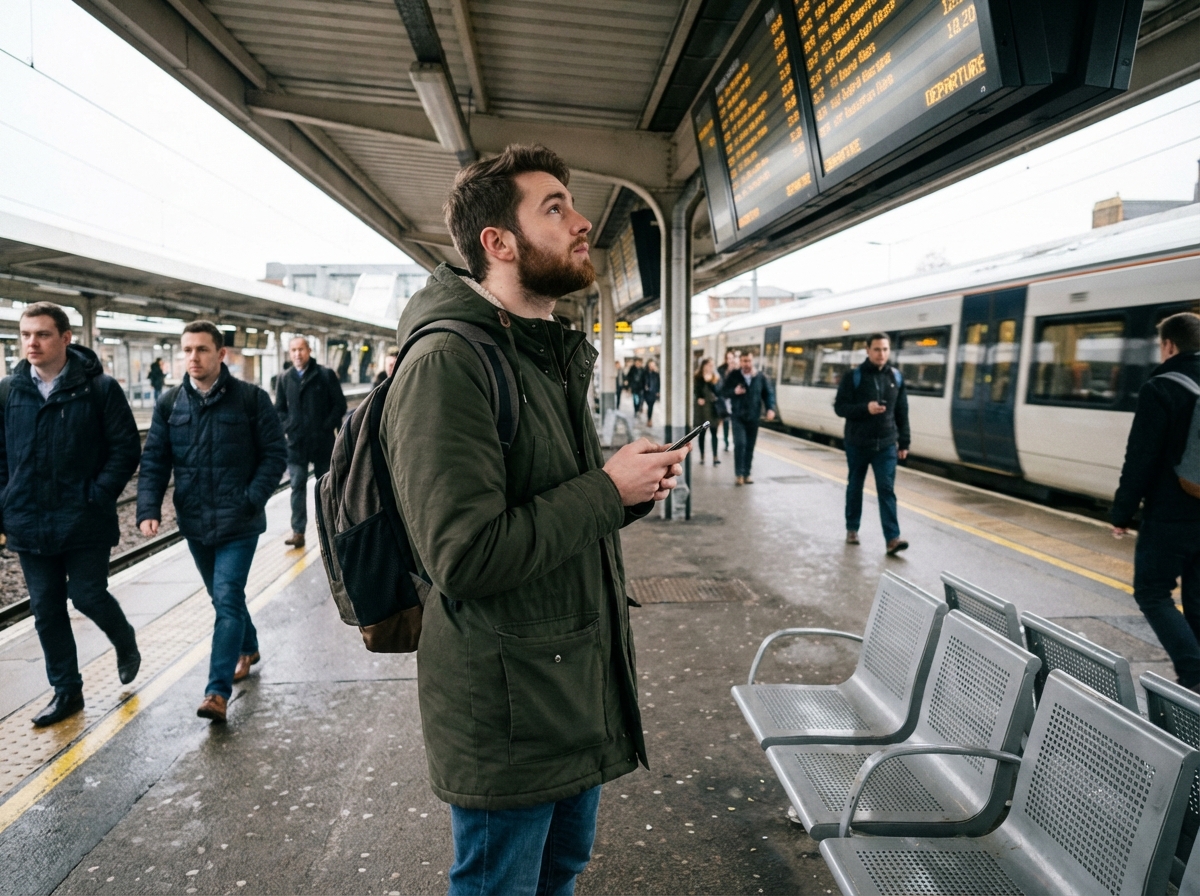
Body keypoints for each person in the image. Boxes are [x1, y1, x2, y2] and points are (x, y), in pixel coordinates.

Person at [381, 144, 687, 896]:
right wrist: (605, 493)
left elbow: (547, 506)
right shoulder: (451, 361)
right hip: (510, 708)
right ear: (498, 242)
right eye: (556, 208)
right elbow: (465, 554)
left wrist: (628, 490)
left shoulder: (540, 354)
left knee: (558, 879)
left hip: (565, 688)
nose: (582, 223)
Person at [0, 302, 143, 726]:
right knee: (45, 609)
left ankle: (124, 639)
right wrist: (6, 499)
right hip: (28, 518)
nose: (32, 343)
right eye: (26, 334)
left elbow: (125, 449)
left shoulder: (98, 388)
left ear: (65, 338)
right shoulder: (8, 391)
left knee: (87, 594)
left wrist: (96, 494)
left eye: (42, 334)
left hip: (84, 518)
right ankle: (67, 692)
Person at [138, 321, 287, 723]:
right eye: (186, 350)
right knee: (226, 598)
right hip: (196, 523)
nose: (192, 358)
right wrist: (148, 509)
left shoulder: (251, 400)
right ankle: (249, 646)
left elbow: (275, 455)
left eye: (202, 350)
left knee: (225, 596)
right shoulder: (170, 404)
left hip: (239, 522)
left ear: (221, 354)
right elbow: (154, 461)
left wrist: (251, 499)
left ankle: (216, 692)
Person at [1113, 312, 1200, 691]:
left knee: (1152, 591)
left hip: (1170, 514)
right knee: (1197, 597)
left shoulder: (1161, 386)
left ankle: (1195, 673)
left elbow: (1141, 458)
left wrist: (1122, 512)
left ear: (1169, 345)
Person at [834, 333, 910, 555]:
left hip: (886, 444)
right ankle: (852, 528)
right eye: (877, 349)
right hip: (858, 443)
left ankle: (892, 539)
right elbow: (840, 408)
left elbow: (902, 411)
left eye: (885, 349)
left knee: (886, 489)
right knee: (855, 486)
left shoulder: (895, 377)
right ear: (867, 350)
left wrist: (904, 442)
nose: (882, 354)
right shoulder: (853, 377)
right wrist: (864, 409)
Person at [274, 337, 346, 548]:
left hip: (322, 443)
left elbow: (339, 405)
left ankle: (330, 528)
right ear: (290, 353)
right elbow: (279, 409)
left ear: (309, 350)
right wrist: (289, 426)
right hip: (296, 444)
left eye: (301, 349)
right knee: (297, 486)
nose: (297, 354)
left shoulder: (325, 375)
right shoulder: (284, 378)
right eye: (294, 350)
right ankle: (298, 532)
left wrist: (326, 426)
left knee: (325, 487)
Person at [721, 350, 775, 485]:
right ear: (740, 362)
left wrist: (770, 408)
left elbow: (768, 393)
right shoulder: (734, 376)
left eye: (749, 361)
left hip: (753, 416)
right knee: (740, 444)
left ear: (752, 361)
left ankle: (747, 474)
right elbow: (723, 392)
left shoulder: (760, 377)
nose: (747, 364)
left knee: (750, 446)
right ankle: (739, 474)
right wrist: (734, 391)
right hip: (738, 416)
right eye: (744, 361)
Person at [694, 357, 721, 464]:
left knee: (714, 433)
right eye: (709, 365)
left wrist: (711, 382)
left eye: (712, 365)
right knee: (702, 433)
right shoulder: (698, 377)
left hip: (712, 408)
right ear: (704, 365)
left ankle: (715, 456)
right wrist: (699, 397)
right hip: (701, 409)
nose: (711, 367)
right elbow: (696, 390)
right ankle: (702, 456)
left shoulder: (716, 377)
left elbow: (718, 391)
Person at [716, 348, 738, 452]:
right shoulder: (720, 369)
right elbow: (719, 386)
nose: (729, 360)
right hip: (724, 399)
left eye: (731, 358)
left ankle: (734, 442)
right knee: (725, 422)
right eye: (727, 358)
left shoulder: (737, 371)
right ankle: (726, 442)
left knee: (734, 423)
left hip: (734, 400)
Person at [642, 359, 660, 425]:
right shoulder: (645, 373)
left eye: (653, 365)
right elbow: (642, 382)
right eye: (651, 365)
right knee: (648, 405)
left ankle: (649, 419)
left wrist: (658, 391)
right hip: (646, 392)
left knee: (651, 406)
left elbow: (658, 383)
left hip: (653, 392)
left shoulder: (656, 374)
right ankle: (649, 417)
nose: (652, 366)